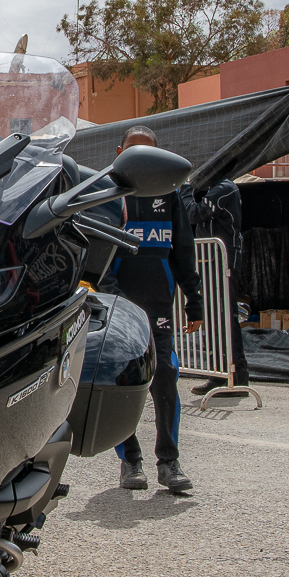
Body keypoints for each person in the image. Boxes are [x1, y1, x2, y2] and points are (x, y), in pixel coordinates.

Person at [104, 127, 201, 494]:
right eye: (134, 153)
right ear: (119, 153)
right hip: (118, 306)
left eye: (151, 154)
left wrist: (195, 299)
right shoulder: (106, 193)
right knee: (121, 380)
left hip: (159, 305)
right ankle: (130, 462)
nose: (144, 163)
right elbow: (99, 256)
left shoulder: (170, 193)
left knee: (166, 374)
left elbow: (184, 250)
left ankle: (169, 461)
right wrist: (112, 299)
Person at [188, 176, 250, 395]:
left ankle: (238, 377)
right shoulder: (211, 189)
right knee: (213, 319)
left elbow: (194, 214)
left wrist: (184, 190)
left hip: (224, 262)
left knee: (226, 318)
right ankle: (217, 374)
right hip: (208, 259)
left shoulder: (224, 189)